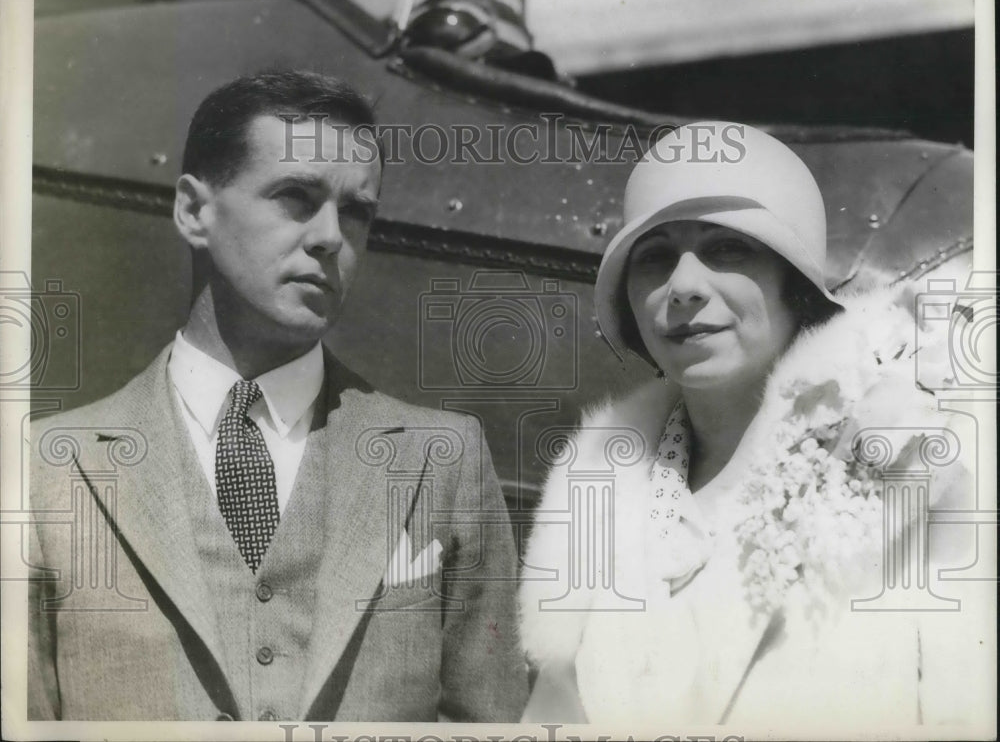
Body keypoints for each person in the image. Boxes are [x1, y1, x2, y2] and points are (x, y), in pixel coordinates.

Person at [28, 70, 528, 722]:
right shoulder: (44, 470)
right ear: (193, 210)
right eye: (296, 196)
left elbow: (493, 722)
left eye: (356, 211)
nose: (330, 237)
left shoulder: (443, 459)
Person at [518, 122, 988, 730]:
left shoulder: (911, 462)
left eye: (727, 249)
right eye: (654, 258)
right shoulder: (595, 495)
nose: (683, 286)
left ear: (793, 284)